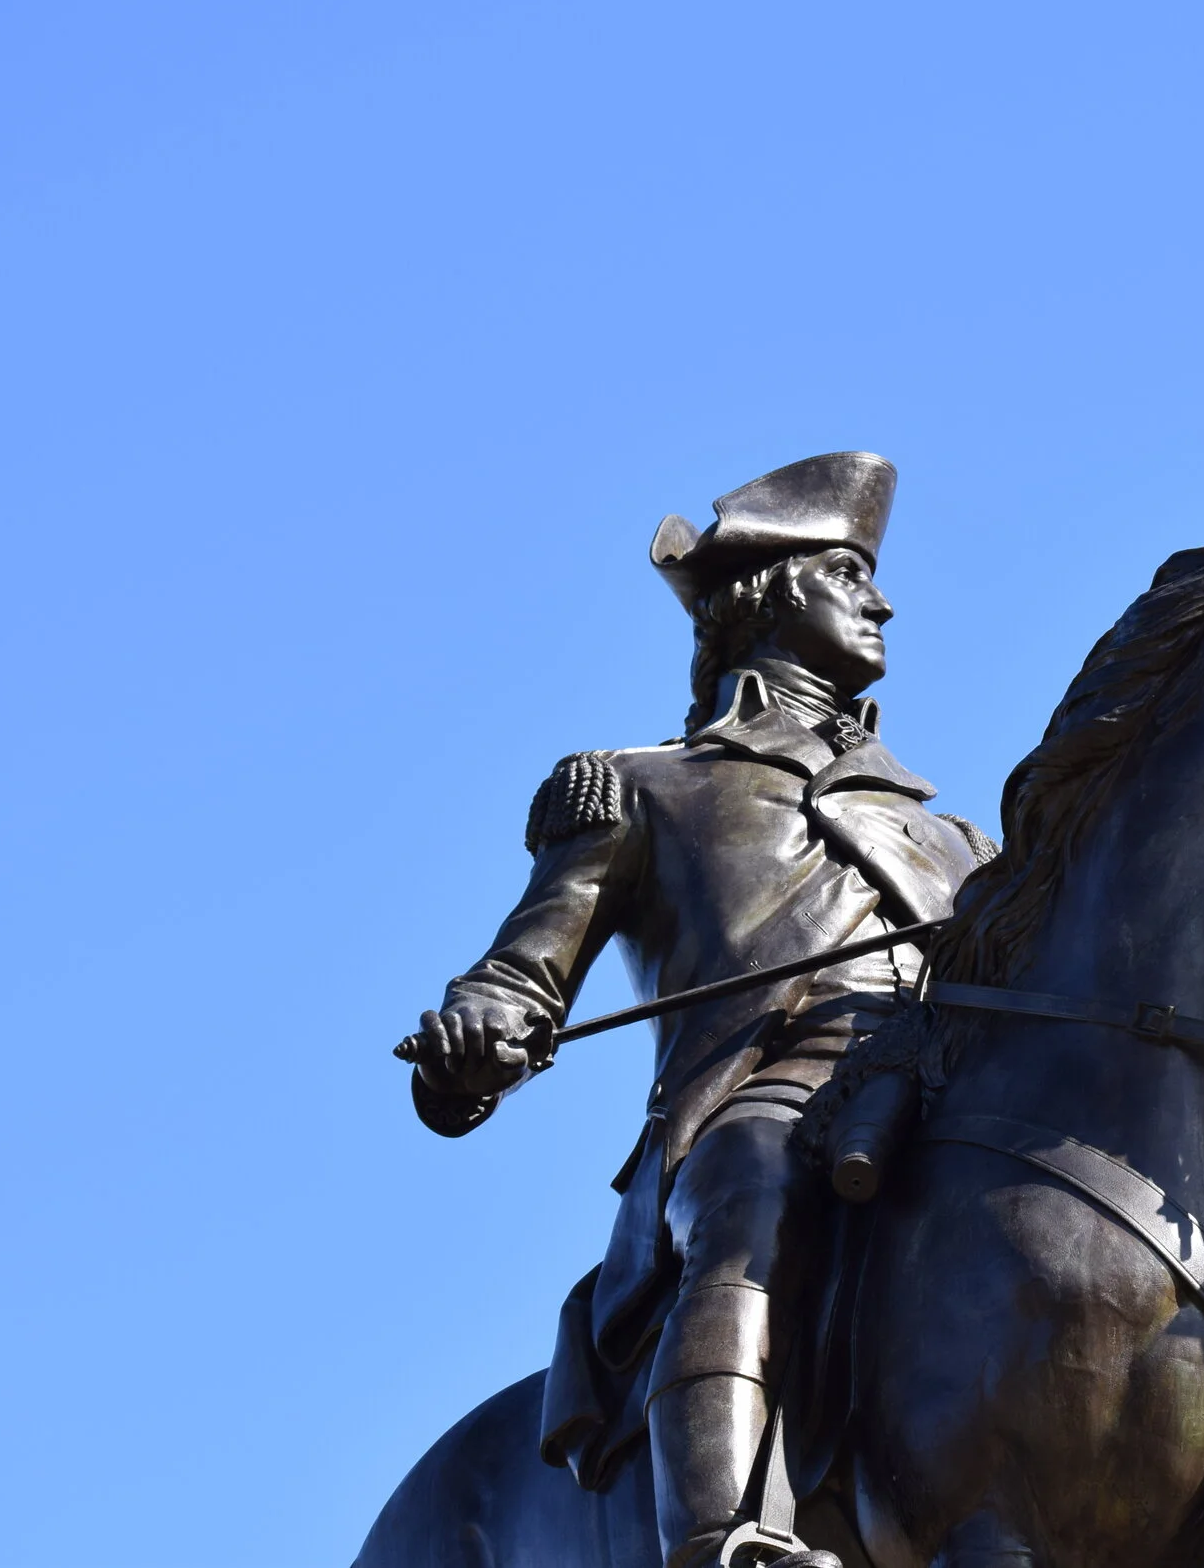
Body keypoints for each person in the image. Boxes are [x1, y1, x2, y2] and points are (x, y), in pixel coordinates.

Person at [411, 451, 991, 1568]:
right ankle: (723, 1537)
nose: (881, 598)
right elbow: (524, 972)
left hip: (944, 1086)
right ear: (771, 594)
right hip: (757, 1091)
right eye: (845, 572)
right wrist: (475, 1036)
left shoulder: (959, 838)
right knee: (754, 1176)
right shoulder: (643, 785)